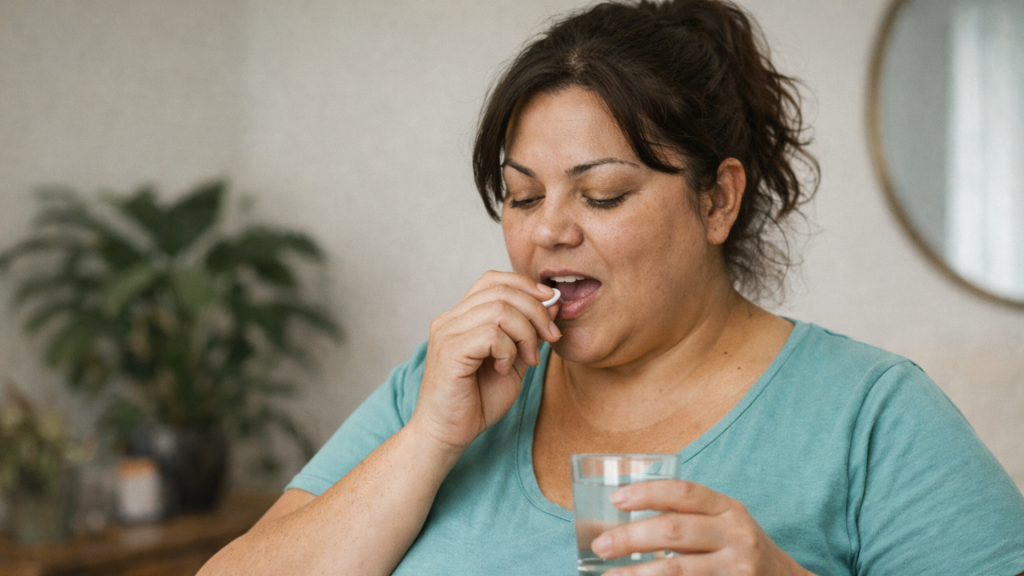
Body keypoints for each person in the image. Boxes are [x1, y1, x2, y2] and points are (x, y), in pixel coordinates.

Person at [198, 0, 1024, 574]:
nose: (547, 230)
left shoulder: (872, 416)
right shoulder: (447, 385)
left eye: (602, 195)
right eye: (522, 196)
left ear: (718, 200)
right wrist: (428, 442)